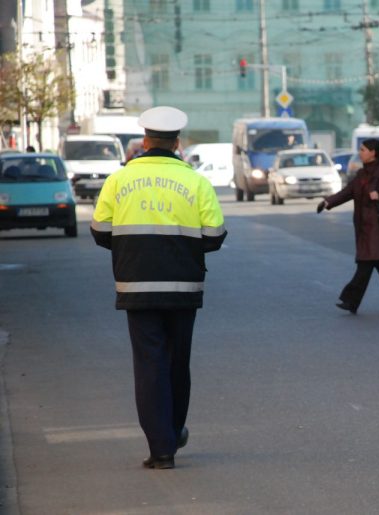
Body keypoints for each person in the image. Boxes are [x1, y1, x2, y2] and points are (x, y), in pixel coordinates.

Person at [90, 106, 227, 470]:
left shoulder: (118, 181)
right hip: (184, 288)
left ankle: (161, 447)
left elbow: (100, 231)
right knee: (177, 363)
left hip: (136, 286)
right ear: (177, 142)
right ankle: (175, 428)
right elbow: (214, 236)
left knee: (149, 365)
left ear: (145, 141)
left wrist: (131, 249)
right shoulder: (196, 182)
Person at [317, 138, 379, 314]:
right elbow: (347, 192)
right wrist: (327, 202)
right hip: (363, 228)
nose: (360, 153)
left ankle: (351, 301)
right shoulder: (362, 175)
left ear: (373, 152)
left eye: (363, 150)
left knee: (365, 264)